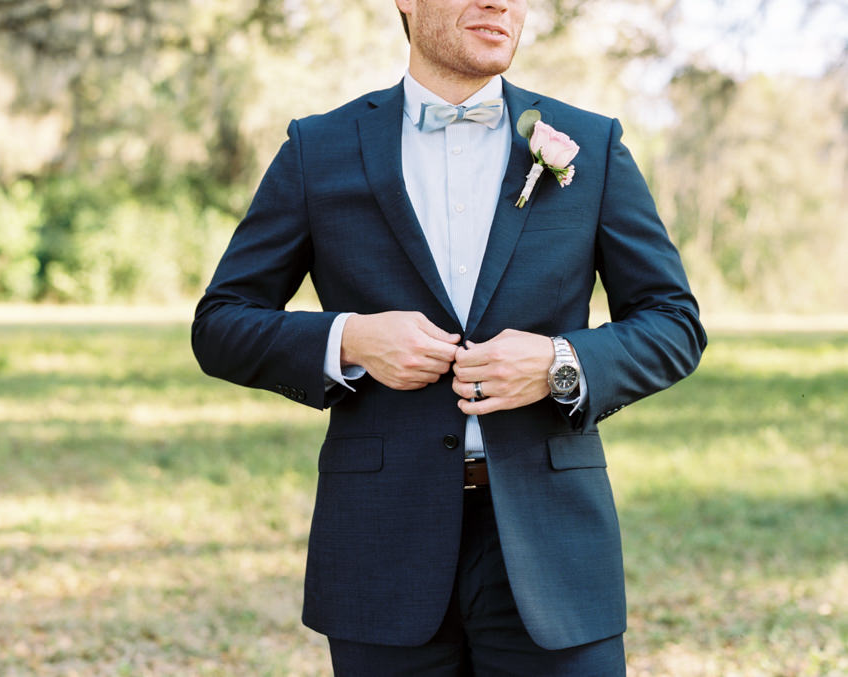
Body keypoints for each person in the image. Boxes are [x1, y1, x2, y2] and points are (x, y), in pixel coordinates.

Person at [192, 0, 706, 673]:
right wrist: (351, 340)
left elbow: (673, 322)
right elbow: (222, 322)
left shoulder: (591, 142)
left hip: (554, 549)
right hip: (381, 547)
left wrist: (560, 362)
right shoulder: (318, 149)